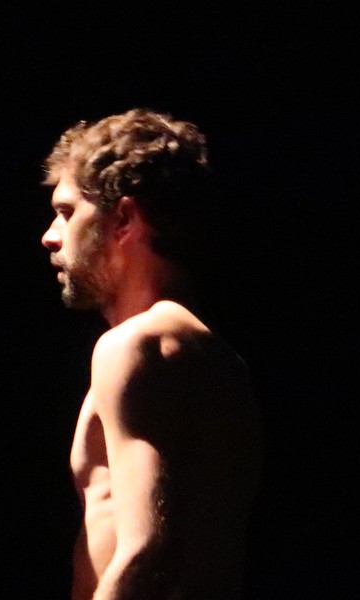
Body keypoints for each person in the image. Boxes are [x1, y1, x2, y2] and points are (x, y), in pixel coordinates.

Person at [41, 109, 263, 600]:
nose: (50, 236)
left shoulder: (135, 346)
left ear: (123, 219)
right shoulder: (212, 354)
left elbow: (148, 553)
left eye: (67, 212)